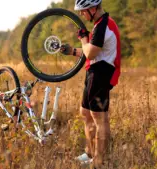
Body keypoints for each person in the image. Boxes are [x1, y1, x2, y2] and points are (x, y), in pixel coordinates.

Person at [60, 0, 121, 167]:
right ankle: (89, 153)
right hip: (94, 71)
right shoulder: (99, 24)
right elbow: (92, 50)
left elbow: (91, 52)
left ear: (93, 9)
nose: (81, 14)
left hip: (101, 72)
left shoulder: (103, 25)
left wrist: (83, 38)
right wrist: (72, 51)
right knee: (85, 113)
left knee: (100, 118)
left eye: (83, 11)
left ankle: (100, 160)